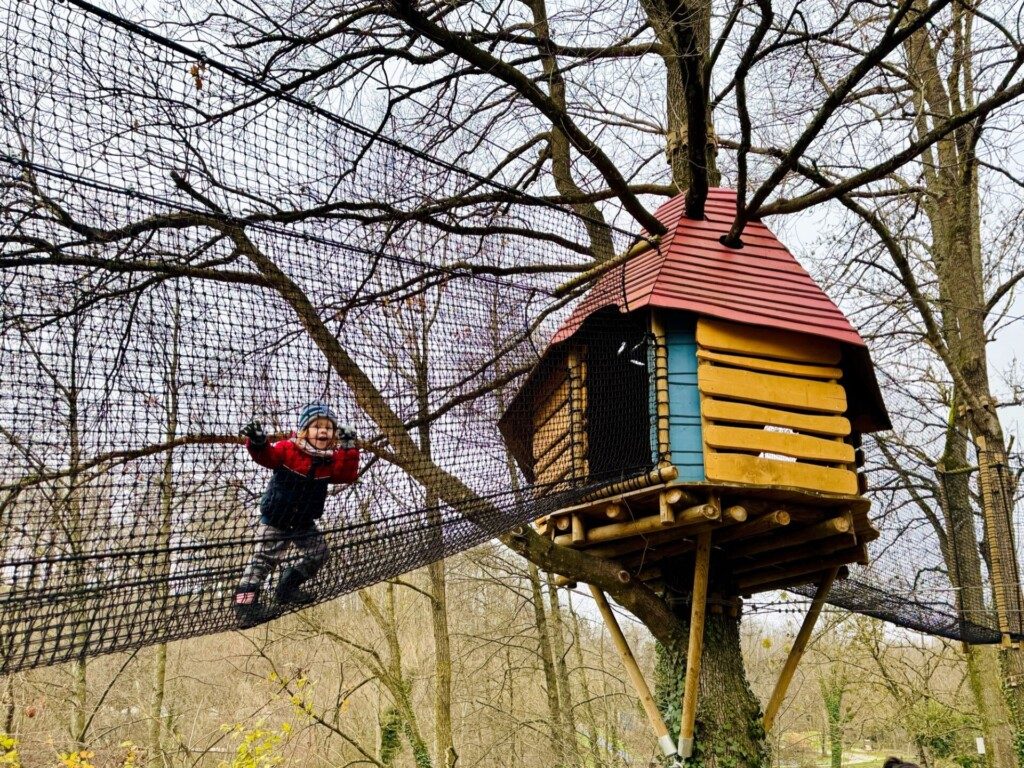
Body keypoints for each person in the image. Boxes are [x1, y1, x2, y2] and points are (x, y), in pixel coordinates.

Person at [233, 403, 359, 628]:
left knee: (319, 553)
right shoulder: (288, 449)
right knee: (262, 561)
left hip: (303, 522)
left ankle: (286, 588)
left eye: (328, 428)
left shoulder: (329, 461)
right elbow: (267, 457)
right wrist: (257, 441)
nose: (323, 431)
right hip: (276, 520)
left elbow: (347, 474)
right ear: (304, 430)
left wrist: (349, 447)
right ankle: (244, 607)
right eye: (317, 426)